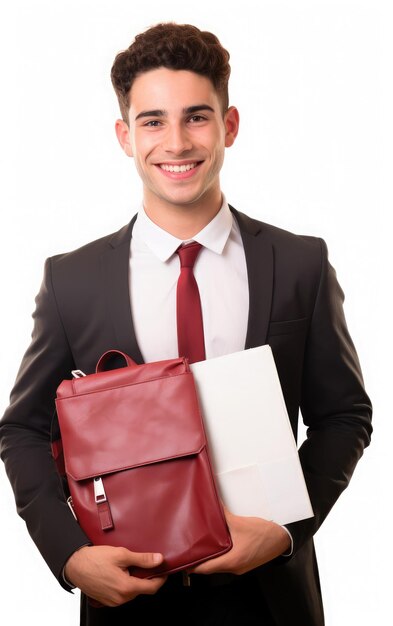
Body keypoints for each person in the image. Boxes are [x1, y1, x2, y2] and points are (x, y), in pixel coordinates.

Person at [0, 22, 372, 626]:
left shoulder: (301, 263)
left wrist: (286, 531)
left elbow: (344, 416)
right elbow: (22, 430)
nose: (176, 142)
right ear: (125, 136)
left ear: (229, 126)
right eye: (153, 121)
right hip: (128, 600)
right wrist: (70, 557)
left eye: (197, 117)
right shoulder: (72, 280)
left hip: (273, 600)